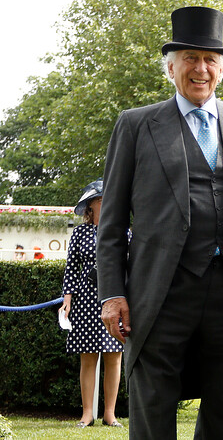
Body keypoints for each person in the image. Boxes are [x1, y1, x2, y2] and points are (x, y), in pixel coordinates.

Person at [97, 6, 223, 440]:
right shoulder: (136, 124)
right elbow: (110, 224)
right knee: (152, 411)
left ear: (221, 68)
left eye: (210, 60)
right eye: (190, 58)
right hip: (160, 294)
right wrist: (112, 293)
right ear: (171, 67)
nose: (200, 69)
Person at [59, 179, 124, 428]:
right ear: (92, 205)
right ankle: (87, 414)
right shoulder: (79, 233)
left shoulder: (122, 231)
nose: (106, 203)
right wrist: (67, 300)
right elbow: (71, 269)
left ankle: (110, 414)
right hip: (86, 298)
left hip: (115, 296)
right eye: (101, 199)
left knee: (114, 355)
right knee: (88, 357)